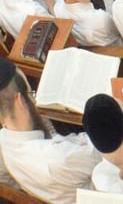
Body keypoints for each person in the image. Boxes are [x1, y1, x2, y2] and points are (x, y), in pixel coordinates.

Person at [0, 58, 101, 204]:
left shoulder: (3, 144)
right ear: (20, 101)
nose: (34, 99)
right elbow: (105, 147)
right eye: (31, 93)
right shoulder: (62, 156)